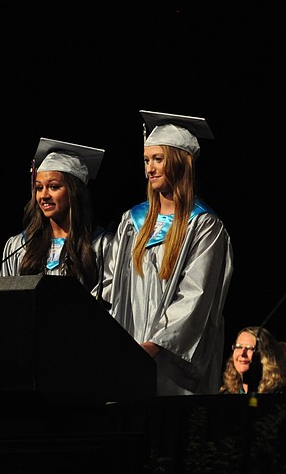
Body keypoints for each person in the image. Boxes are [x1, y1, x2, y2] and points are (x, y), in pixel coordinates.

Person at [100, 110, 234, 396]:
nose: (149, 169)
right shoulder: (131, 223)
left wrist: (155, 346)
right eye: (146, 160)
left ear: (179, 162)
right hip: (129, 353)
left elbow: (196, 295)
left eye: (158, 159)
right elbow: (111, 287)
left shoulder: (203, 225)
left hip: (172, 361)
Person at [0, 137, 108, 292]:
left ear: (74, 193)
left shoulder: (101, 245)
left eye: (54, 187)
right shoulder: (19, 246)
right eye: (39, 188)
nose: (44, 195)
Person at [219, 326, 286, 395]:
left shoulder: (280, 393)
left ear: (266, 354)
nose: (242, 353)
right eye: (239, 347)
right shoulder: (227, 392)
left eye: (250, 348)